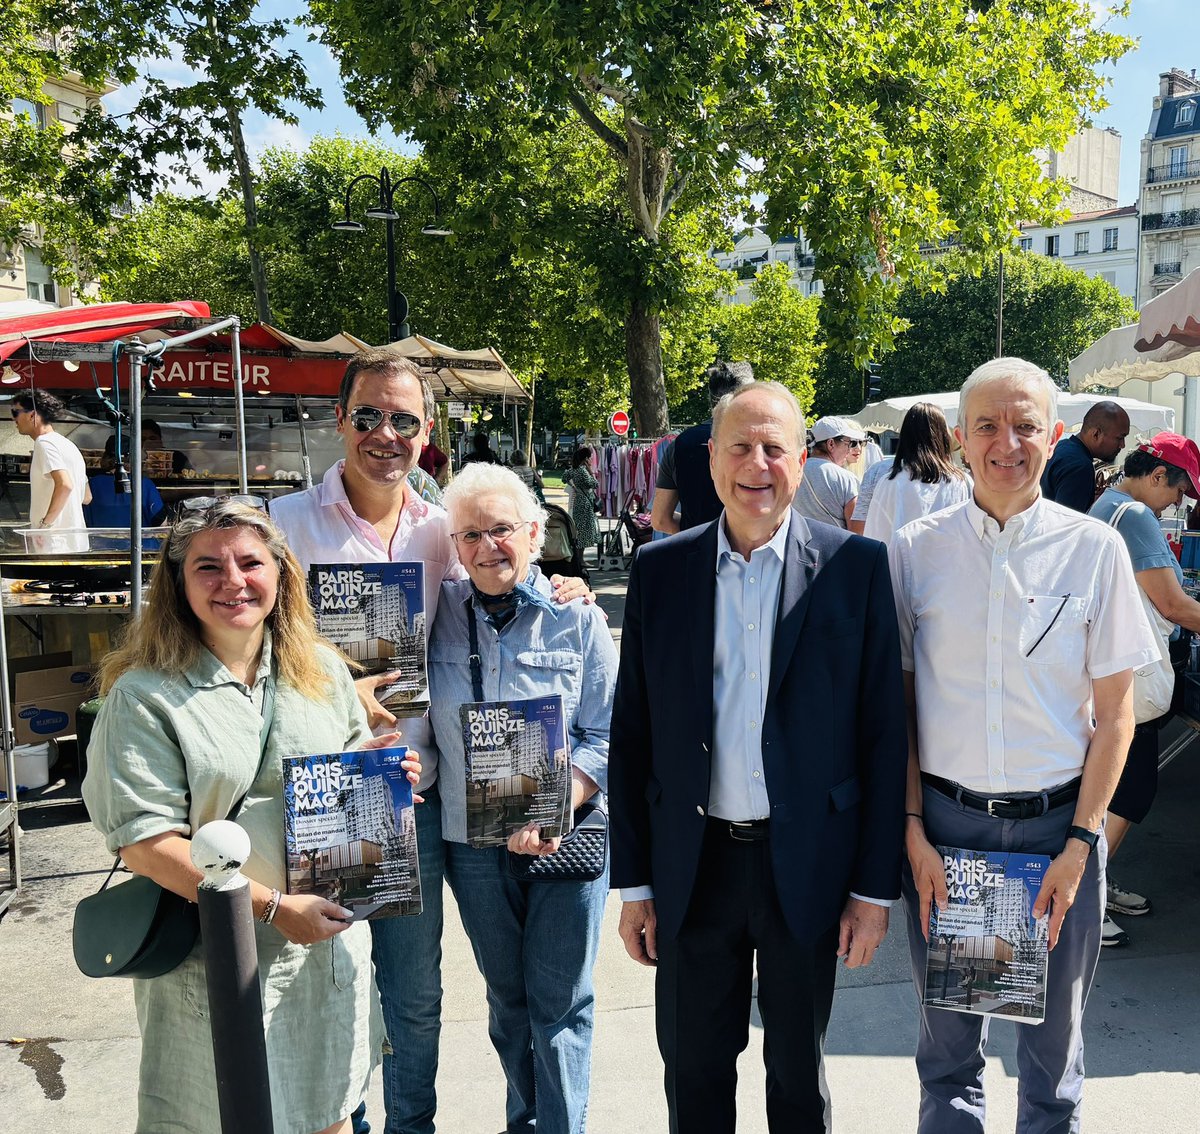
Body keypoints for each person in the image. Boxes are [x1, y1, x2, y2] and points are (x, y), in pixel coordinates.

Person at [269, 348, 589, 1134]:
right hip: (333, 795)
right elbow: (250, 651)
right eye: (368, 415)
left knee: (416, 999)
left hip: (428, 794)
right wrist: (333, 692)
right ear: (339, 419)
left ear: (426, 430)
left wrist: (562, 587)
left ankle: (411, 1127)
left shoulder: (441, 526)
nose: (386, 433)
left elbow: (499, 577)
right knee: (333, 986)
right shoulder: (284, 524)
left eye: (403, 420)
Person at [609, 381, 908, 1133]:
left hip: (807, 864)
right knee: (694, 1074)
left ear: (803, 461)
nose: (758, 464)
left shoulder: (856, 568)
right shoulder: (660, 570)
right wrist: (635, 883)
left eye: (775, 447)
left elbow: (883, 736)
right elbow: (632, 732)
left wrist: (873, 891)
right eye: (740, 446)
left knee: (799, 1079)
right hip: (693, 864)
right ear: (711, 459)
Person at [82, 500, 422, 1134]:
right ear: (179, 584)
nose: (233, 581)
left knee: (327, 1114)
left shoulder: (321, 669)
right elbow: (145, 843)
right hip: (216, 960)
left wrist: (384, 778)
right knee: (222, 1116)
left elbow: (349, 769)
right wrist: (270, 908)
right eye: (208, 567)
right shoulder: (145, 696)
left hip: (323, 950)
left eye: (250, 562)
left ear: (280, 573)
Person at [891, 358, 1158, 1133]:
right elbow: (897, 707)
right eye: (987, 426)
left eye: (1025, 426)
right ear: (960, 438)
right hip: (949, 837)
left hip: (1055, 837)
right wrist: (911, 829)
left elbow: (1117, 715)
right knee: (949, 1058)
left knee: (1051, 1061)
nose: (1006, 443)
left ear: (1055, 434)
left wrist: (1081, 844)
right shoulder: (913, 549)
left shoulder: (1094, 548)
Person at [427, 463, 618, 1133]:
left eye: (502, 530)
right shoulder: (434, 615)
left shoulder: (578, 618)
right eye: (470, 535)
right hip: (473, 844)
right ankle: (526, 1122)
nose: (488, 547)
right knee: (508, 1003)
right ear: (455, 545)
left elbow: (611, 731)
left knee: (561, 1004)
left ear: (534, 533)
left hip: (567, 836)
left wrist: (557, 802)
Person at [1089, 433, 1200, 947]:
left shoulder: (1109, 504)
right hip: (1130, 675)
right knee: (1130, 790)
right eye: (1178, 491)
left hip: (1113, 667)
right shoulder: (1134, 516)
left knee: (1116, 788)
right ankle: (1085, 896)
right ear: (1158, 475)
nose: (1177, 504)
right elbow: (1174, 605)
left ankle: (1096, 883)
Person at [651, 360, 754, 535]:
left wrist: (698, 533)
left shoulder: (679, 445)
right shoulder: (764, 444)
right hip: (753, 549)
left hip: (696, 548)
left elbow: (660, 519)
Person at [862, 402, 970, 546]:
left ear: (905, 436)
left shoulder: (890, 482)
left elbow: (876, 537)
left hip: (901, 560)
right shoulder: (962, 482)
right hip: (952, 559)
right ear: (944, 435)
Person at [12, 390, 91, 553]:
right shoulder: (69, 445)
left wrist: (44, 526)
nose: (14, 419)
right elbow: (87, 497)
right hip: (77, 542)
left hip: (54, 542)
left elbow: (65, 485)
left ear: (32, 415)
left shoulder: (44, 443)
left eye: (15, 412)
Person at [1039, 400, 1130, 512]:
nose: (1123, 445)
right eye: (1120, 438)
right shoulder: (1080, 467)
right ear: (1096, 434)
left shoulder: (1061, 447)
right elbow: (1068, 519)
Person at [791, 415, 863, 529]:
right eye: (848, 443)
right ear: (831, 444)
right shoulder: (846, 478)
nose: (849, 449)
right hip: (835, 540)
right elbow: (856, 530)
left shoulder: (794, 472)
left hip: (798, 539)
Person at [84, 433, 167, 528]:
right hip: (140, 538)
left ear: (105, 457)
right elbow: (161, 524)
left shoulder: (92, 484)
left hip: (99, 538)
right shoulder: (144, 484)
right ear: (135, 458)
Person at [560, 446, 601, 565]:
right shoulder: (583, 471)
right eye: (589, 457)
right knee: (583, 532)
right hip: (585, 503)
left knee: (579, 531)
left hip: (578, 501)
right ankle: (580, 560)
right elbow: (594, 484)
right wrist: (591, 471)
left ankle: (578, 559)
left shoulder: (573, 470)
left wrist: (574, 486)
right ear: (586, 458)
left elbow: (564, 478)